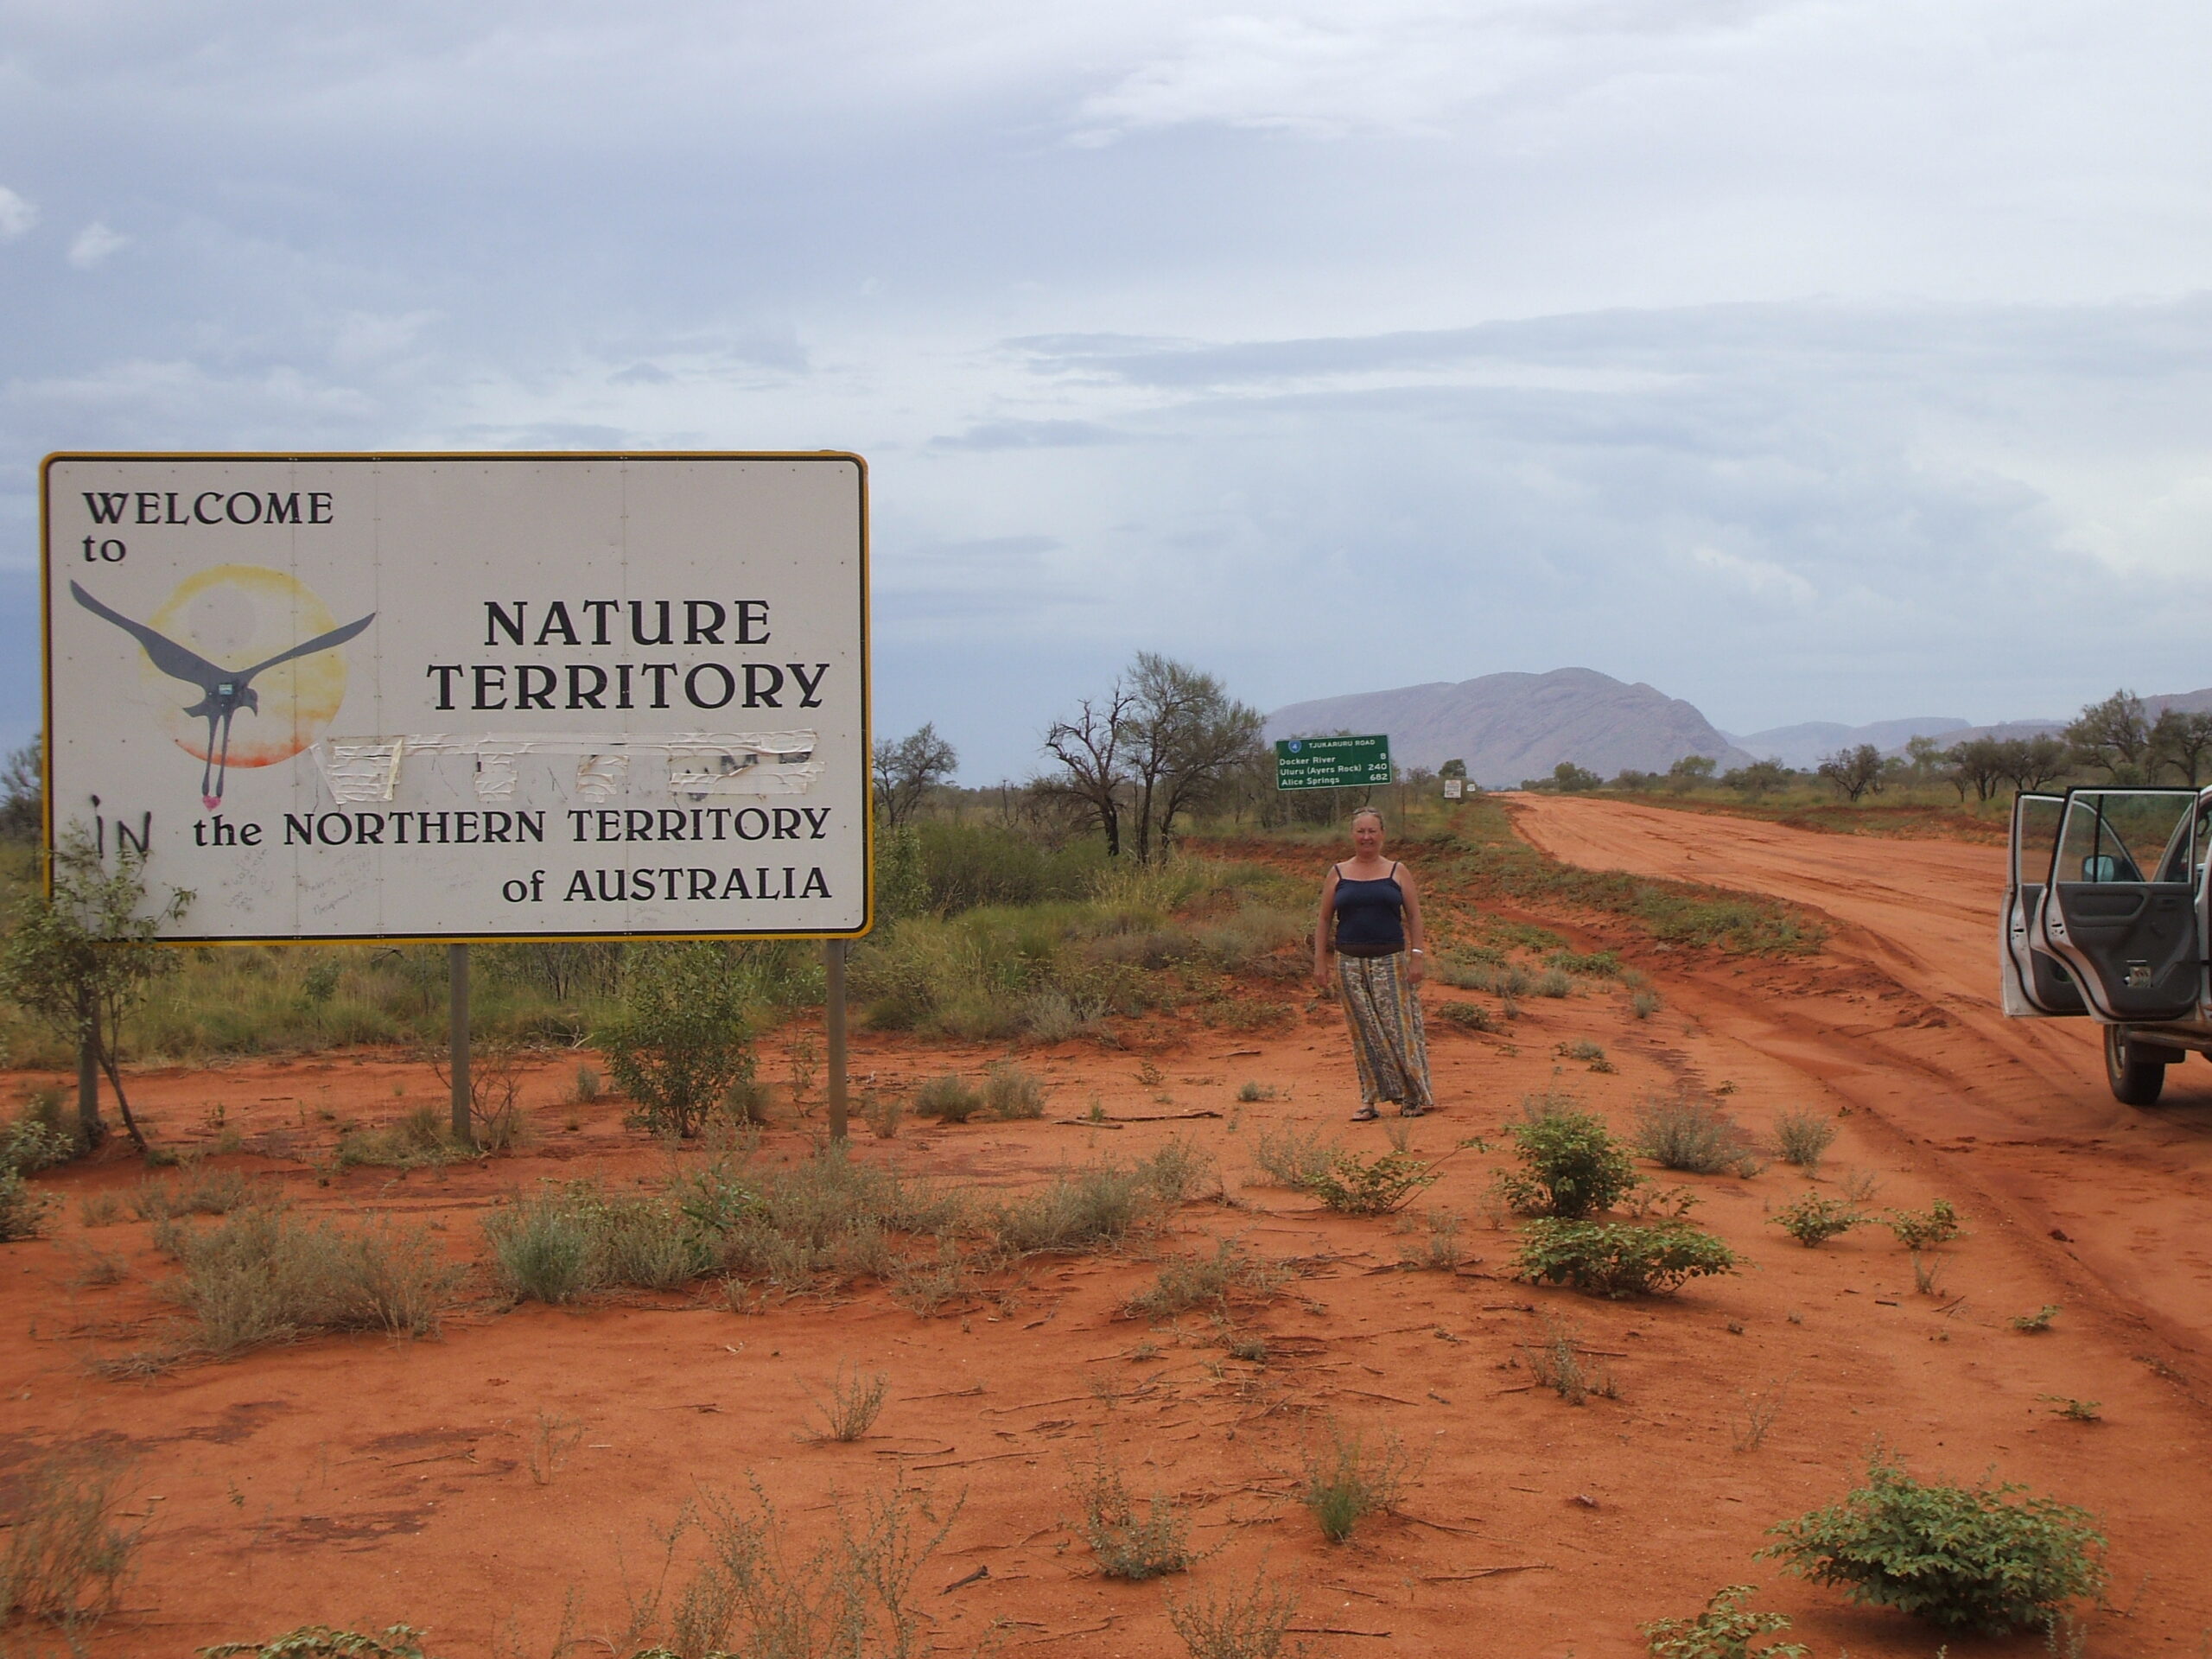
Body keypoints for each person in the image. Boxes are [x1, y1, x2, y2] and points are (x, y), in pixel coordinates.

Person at [1313, 807, 1434, 1120]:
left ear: (1382, 835)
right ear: (1353, 835)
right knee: (1363, 1032)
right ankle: (1369, 1099)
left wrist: (1417, 956)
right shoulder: (1338, 872)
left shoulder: (1397, 871)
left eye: (1372, 831)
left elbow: (1415, 916)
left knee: (1398, 1029)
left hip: (1390, 961)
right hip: (1349, 963)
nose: (1366, 837)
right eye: (1361, 831)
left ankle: (1411, 1096)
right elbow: (1325, 919)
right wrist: (1320, 963)